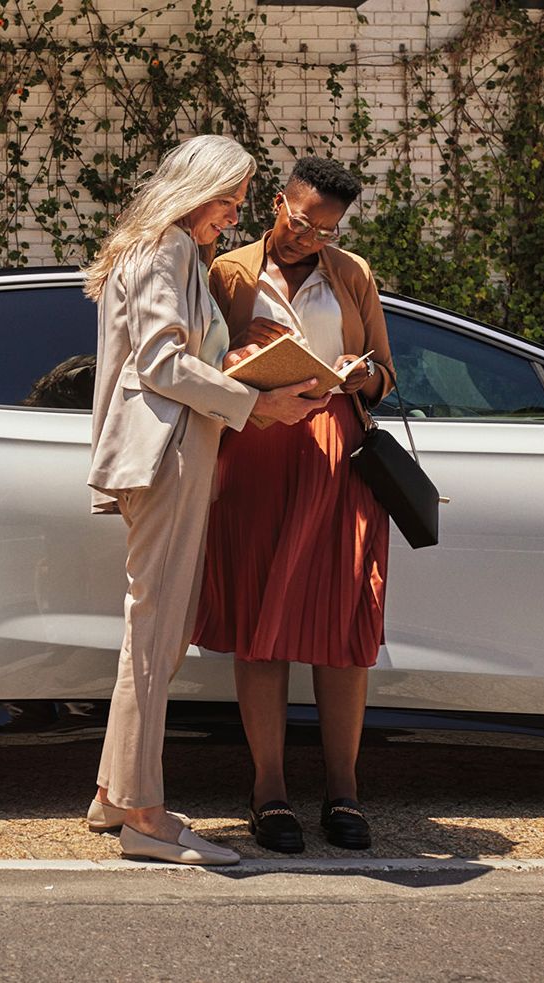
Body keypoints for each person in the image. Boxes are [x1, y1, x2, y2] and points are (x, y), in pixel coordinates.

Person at [84, 135, 326, 865]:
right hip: (169, 455)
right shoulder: (165, 248)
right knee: (155, 633)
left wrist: (245, 366)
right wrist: (256, 405)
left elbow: (176, 358)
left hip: (170, 453)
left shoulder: (169, 250)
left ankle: (115, 794)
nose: (235, 212)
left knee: (152, 630)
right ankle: (144, 817)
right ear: (196, 189)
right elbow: (161, 364)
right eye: (229, 197)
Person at [195, 155, 395, 854]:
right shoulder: (228, 272)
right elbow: (196, 363)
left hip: (337, 455)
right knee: (260, 622)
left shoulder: (353, 274)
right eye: (303, 222)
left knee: (342, 623)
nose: (310, 238)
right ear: (279, 203)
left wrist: (361, 374)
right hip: (255, 449)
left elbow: (384, 373)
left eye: (327, 231)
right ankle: (269, 791)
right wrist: (237, 355)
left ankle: (344, 790)